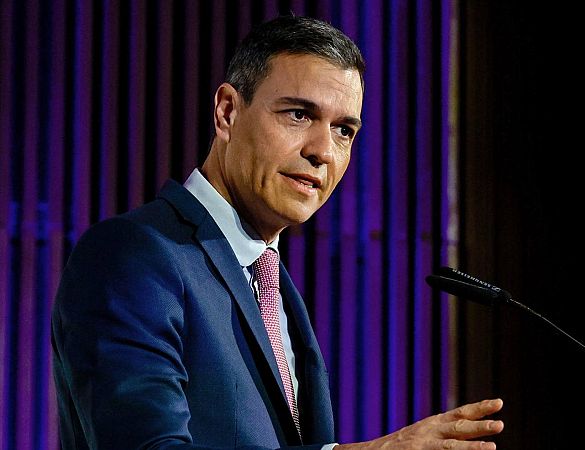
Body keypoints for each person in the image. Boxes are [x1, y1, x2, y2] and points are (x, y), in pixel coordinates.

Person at [51, 15, 504, 450]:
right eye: (299, 115)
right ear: (227, 112)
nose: (323, 151)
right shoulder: (134, 254)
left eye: (344, 130)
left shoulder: (270, 281)